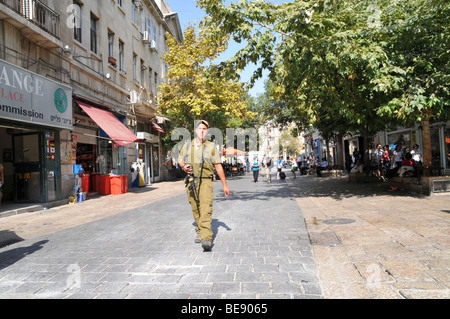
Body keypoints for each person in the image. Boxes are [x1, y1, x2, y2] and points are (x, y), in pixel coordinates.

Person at [178, 120, 230, 252]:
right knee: (195, 208)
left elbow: (218, 166)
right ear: (195, 130)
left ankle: (206, 238)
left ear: (207, 131)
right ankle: (200, 231)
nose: (202, 130)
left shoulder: (211, 147)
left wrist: (225, 185)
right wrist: (184, 166)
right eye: (199, 128)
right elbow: (179, 159)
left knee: (205, 208)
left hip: (206, 181)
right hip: (191, 181)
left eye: (204, 129)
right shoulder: (187, 145)